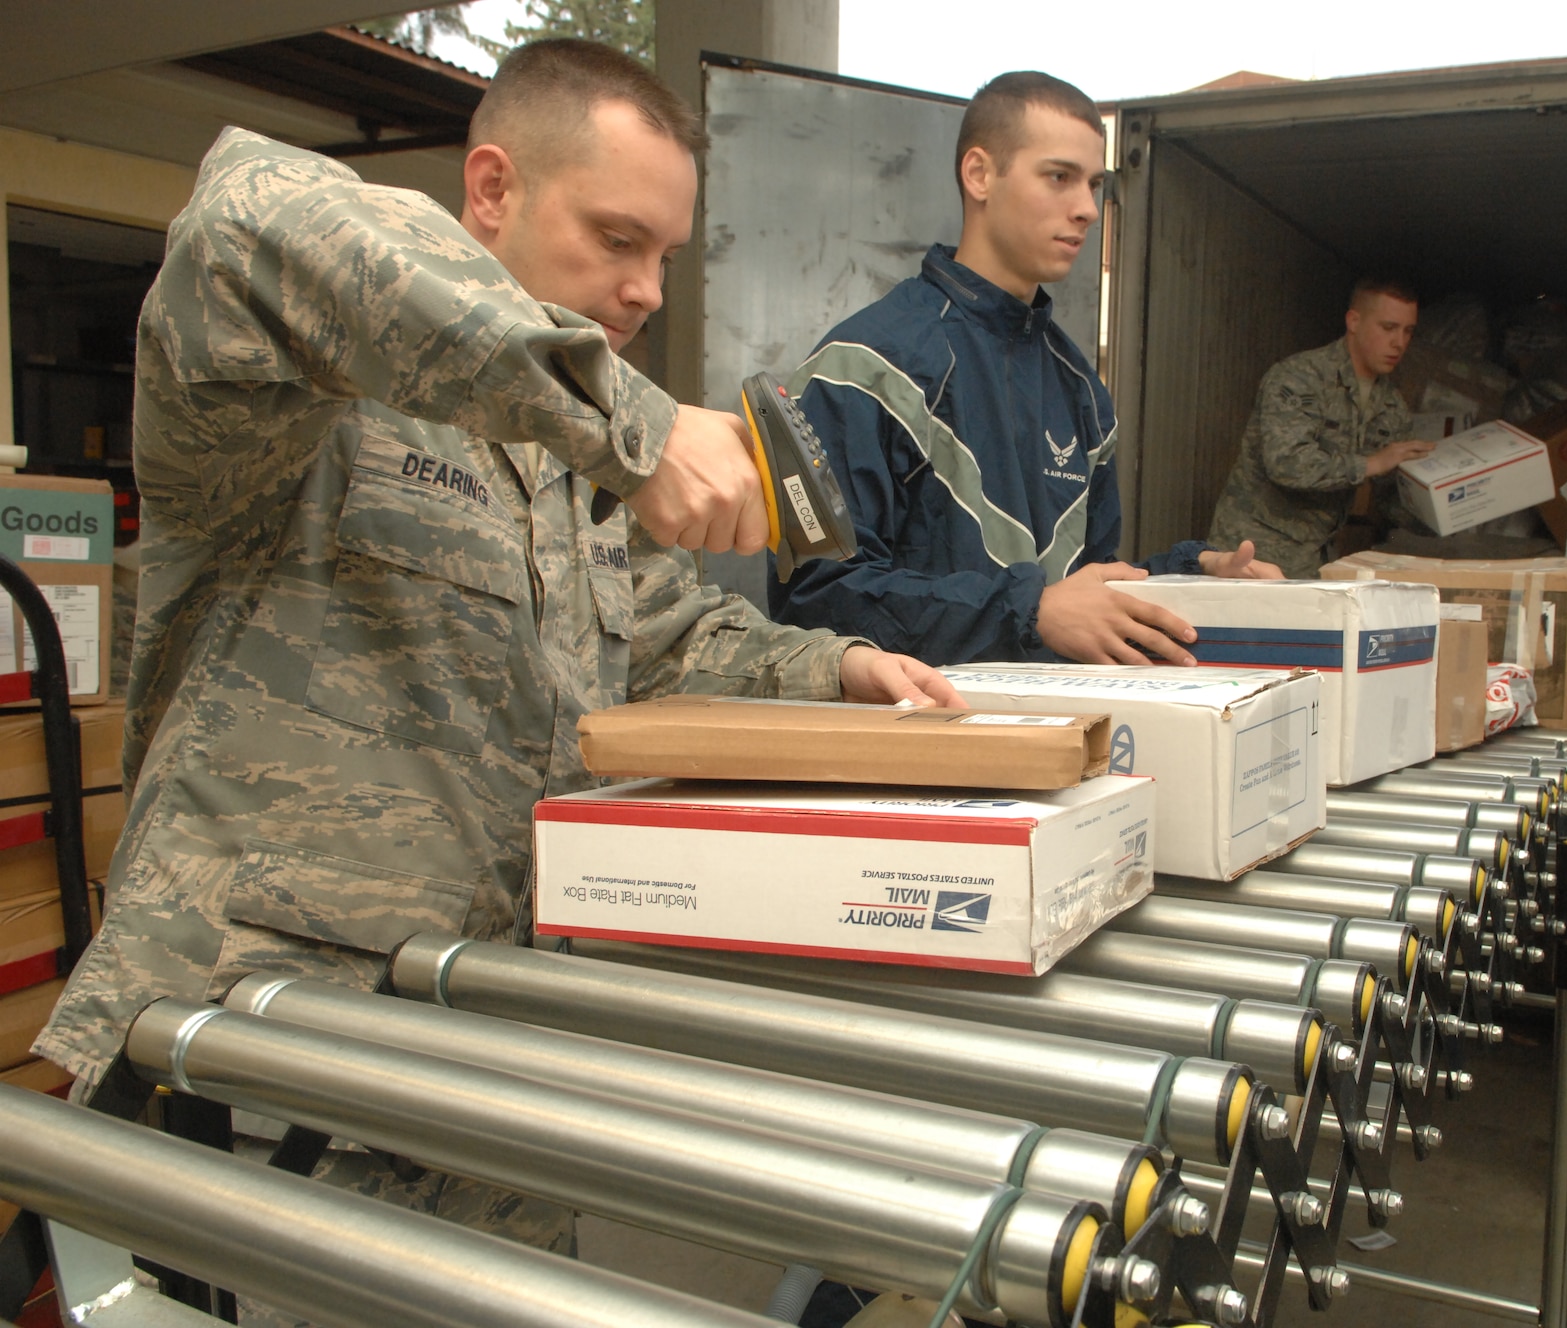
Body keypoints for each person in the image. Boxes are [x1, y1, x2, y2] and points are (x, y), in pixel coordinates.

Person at [29, 37, 957, 1287]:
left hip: (485, 1046)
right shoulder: (294, 396)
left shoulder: (556, 462)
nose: (643, 291)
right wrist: (632, 422)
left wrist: (841, 667)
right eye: (616, 237)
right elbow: (242, 217)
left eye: (666, 258)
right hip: (266, 1058)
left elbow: (665, 631)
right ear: (490, 188)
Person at [768, 72, 1278, 668]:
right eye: (1059, 177)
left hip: (1057, 740)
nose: (1087, 208)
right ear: (979, 174)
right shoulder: (862, 366)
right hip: (913, 746)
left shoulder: (1081, 388)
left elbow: (1081, 590)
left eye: (1093, 184)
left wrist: (1191, 575)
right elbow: (812, 596)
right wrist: (1028, 612)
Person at [1207, 278, 1437, 577]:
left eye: (1408, 331)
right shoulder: (1300, 377)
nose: (1400, 342)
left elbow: (1390, 498)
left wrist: (1446, 506)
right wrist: (1372, 463)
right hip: (1252, 552)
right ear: (1354, 321)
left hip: (1316, 556)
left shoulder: (1392, 405)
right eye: (1388, 328)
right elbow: (1286, 463)